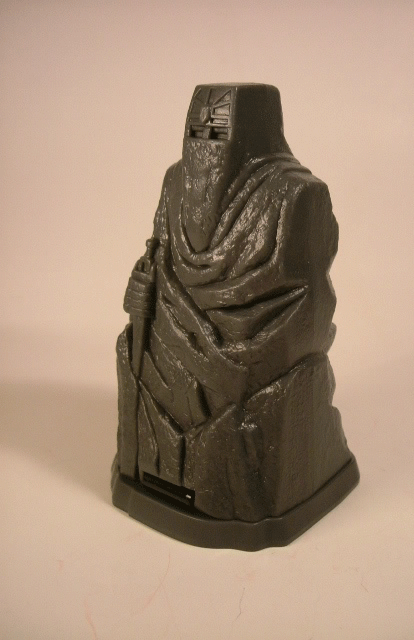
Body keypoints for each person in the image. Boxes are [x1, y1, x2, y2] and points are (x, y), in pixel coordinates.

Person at [115, 84, 356, 523]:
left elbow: (310, 310)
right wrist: (140, 292)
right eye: (196, 128)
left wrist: (219, 347)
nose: (204, 143)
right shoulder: (174, 183)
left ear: (254, 127)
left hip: (248, 357)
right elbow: (158, 262)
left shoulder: (297, 195)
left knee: (246, 395)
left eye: (217, 129)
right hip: (172, 350)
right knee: (134, 350)